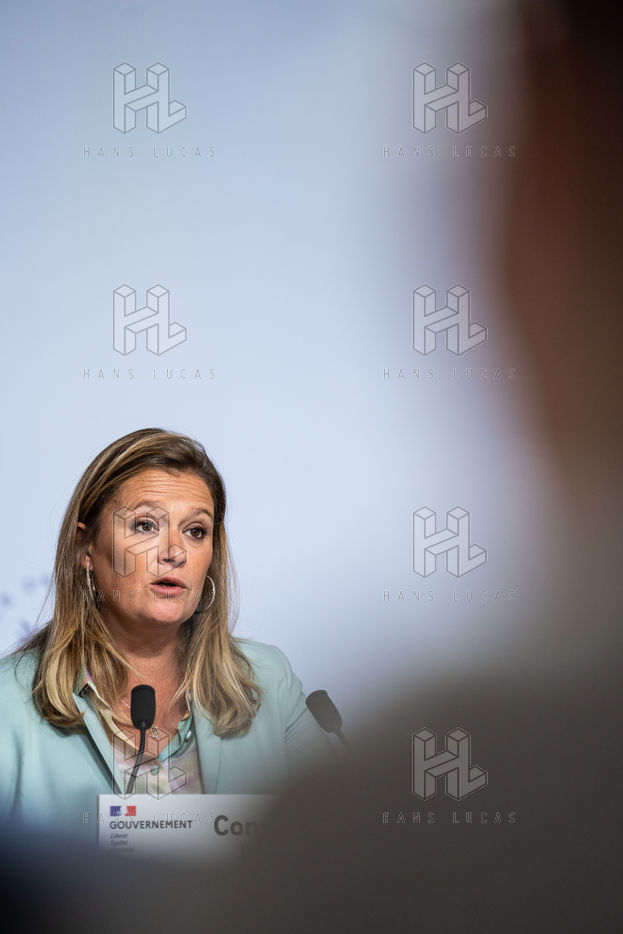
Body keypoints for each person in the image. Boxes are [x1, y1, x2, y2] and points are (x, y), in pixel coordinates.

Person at [0, 428, 331, 840]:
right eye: (145, 525)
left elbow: (336, 837)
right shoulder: (8, 703)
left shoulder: (267, 681)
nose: (174, 552)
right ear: (85, 547)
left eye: (196, 531)